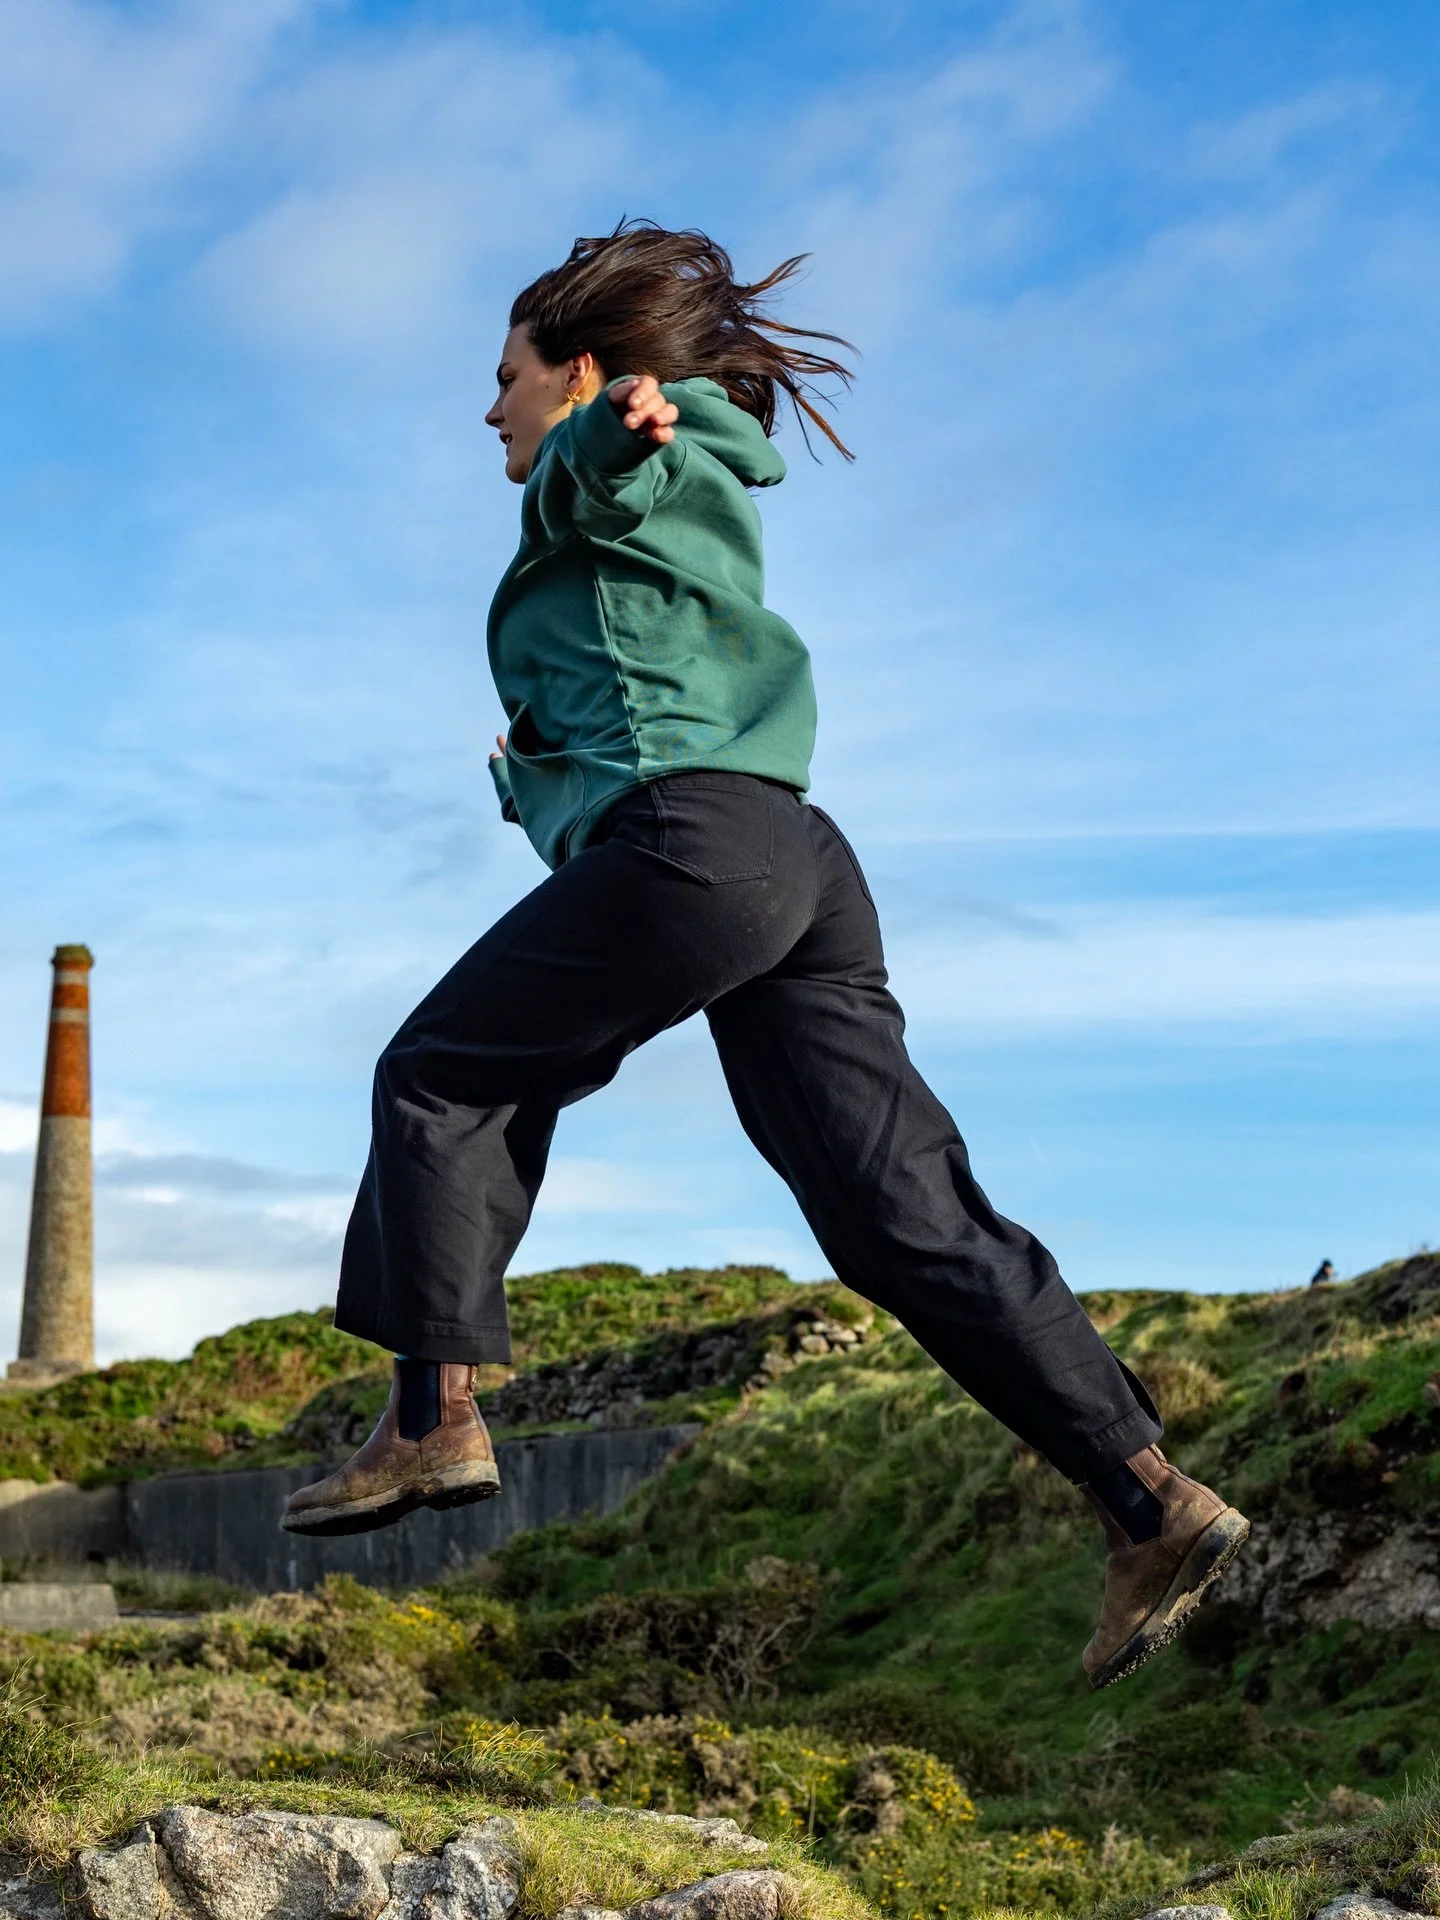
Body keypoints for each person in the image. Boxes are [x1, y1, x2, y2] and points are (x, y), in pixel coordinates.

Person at [282, 221, 1249, 1689]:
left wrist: (613, 431)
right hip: (794, 852)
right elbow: (632, 632)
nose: (489, 408)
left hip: (700, 848)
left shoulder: (605, 461)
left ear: (583, 370)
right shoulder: (705, 492)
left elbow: (609, 464)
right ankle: (1149, 1501)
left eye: (505, 377)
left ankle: (430, 1418)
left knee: (439, 1073)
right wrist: (529, 772)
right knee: (892, 1212)